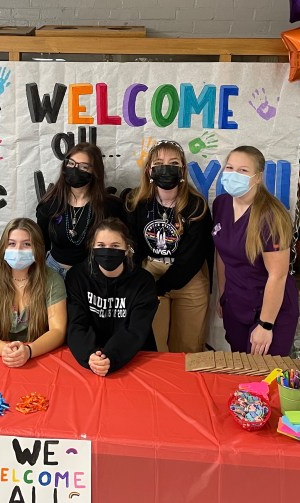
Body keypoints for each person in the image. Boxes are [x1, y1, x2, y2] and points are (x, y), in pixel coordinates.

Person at [126, 140, 213, 353]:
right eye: (159, 162)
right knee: (154, 347)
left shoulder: (197, 205)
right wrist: (143, 283)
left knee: (188, 348)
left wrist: (163, 285)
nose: (166, 168)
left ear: (182, 170)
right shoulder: (135, 201)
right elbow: (132, 245)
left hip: (188, 279)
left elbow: (193, 256)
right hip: (150, 275)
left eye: (173, 163)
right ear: (149, 170)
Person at [212, 145, 298, 356]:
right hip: (236, 303)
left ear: (258, 177)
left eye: (243, 170)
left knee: (264, 375)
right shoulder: (221, 205)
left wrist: (266, 325)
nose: (233, 174)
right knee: (240, 371)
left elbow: (278, 275)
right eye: (230, 167)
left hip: (270, 309)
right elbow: (222, 254)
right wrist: (224, 296)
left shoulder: (272, 216)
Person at [0, 218, 67, 367]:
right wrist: (3, 348)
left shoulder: (52, 279)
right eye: (12, 243)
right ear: (3, 247)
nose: (18, 250)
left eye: (27, 244)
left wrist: (29, 350)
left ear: (38, 248)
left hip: (39, 358)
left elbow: (58, 330)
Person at [66, 218, 158, 376]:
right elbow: (76, 323)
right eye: (101, 246)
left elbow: (136, 329)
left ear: (127, 249)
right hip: (90, 359)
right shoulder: (77, 276)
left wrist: (111, 357)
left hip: (133, 358)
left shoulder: (144, 281)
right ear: (92, 248)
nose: (107, 252)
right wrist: (91, 355)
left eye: (115, 246)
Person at [36, 142, 126, 278]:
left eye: (84, 167)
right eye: (71, 163)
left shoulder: (110, 207)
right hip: (52, 271)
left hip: (89, 275)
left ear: (95, 172)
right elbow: (41, 243)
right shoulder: (50, 204)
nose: (75, 169)